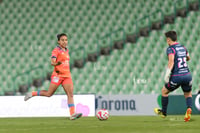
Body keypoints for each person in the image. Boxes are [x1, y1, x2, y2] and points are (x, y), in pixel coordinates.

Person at [24, 33, 82, 120]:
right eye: (62, 40)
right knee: (49, 94)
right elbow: (52, 62)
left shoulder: (67, 50)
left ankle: (72, 114)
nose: (65, 42)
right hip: (57, 75)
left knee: (70, 94)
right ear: (58, 41)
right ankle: (33, 93)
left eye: (66, 40)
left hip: (67, 76)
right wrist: (56, 63)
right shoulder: (56, 50)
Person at [154, 31, 192, 122]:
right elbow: (188, 58)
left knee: (164, 91)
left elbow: (171, 62)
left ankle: (164, 112)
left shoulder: (171, 49)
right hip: (187, 75)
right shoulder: (183, 47)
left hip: (177, 76)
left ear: (168, 40)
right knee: (188, 94)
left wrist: (167, 74)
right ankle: (189, 109)